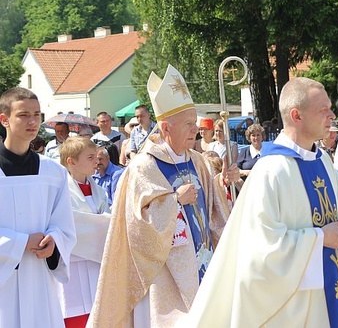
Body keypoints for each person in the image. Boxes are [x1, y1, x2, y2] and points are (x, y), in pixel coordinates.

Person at [188, 77, 338, 327]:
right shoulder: (271, 171)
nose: (332, 115)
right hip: (292, 309)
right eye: (323, 110)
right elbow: (261, 251)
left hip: (329, 293)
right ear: (296, 115)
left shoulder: (322, 160)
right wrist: (321, 238)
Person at [88, 65, 234, 326]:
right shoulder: (144, 167)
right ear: (166, 128)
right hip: (163, 272)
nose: (195, 130)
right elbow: (135, 226)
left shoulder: (198, 161)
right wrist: (174, 200)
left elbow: (211, 207)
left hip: (202, 259)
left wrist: (223, 182)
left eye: (196, 124)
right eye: (188, 124)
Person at [0, 87, 76, 327]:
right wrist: (20, 242)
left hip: (40, 278)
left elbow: (64, 225)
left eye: (37, 114)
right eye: (23, 115)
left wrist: (54, 241)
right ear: (4, 119)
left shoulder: (53, 172)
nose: (32, 121)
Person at [58, 137, 111, 328]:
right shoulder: (60, 190)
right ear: (71, 162)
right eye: (90, 157)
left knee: (100, 314)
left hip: (98, 263)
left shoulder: (99, 190)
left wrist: (104, 222)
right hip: (73, 265)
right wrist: (104, 223)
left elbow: (109, 220)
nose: (96, 161)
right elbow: (70, 224)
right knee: (75, 316)